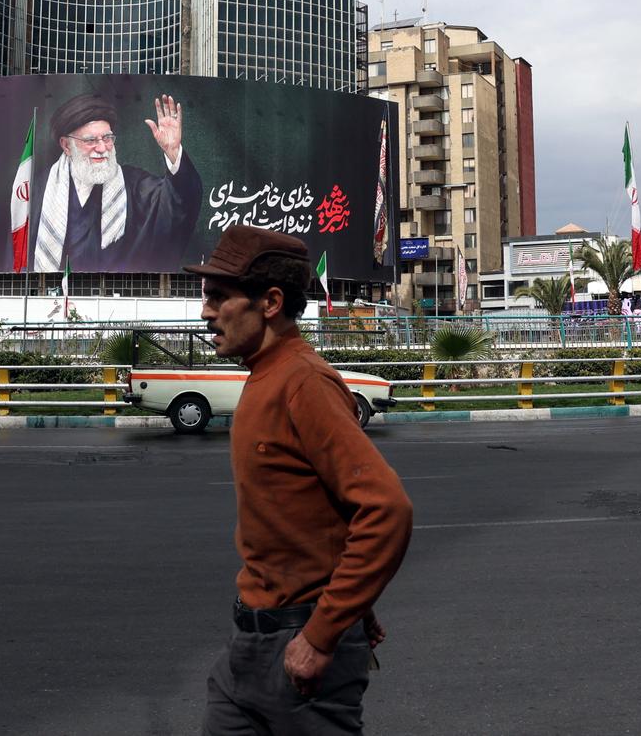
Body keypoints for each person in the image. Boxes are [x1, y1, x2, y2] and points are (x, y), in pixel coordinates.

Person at [184, 225, 414, 735]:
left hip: (298, 647)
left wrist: (326, 628)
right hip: (251, 642)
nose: (206, 312)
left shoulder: (304, 383)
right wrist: (352, 600)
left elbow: (386, 509)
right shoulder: (265, 376)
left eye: (219, 297)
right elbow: (314, 510)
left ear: (269, 302)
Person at [31, 92, 201, 273]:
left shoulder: (134, 185)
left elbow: (178, 201)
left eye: (107, 138)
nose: (102, 148)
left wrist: (173, 152)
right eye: (90, 140)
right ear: (66, 146)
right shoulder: (41, 190)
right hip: (56, 296)